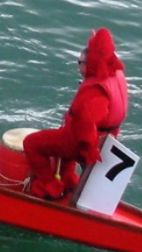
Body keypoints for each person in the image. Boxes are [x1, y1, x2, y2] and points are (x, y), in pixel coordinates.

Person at [22, 28, 128, 200]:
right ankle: (68, 180)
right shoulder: (115, 76)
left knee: (32, 143)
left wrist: (88, 149)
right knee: (63, 150)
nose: (78, 66)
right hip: (107, 138)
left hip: (86, 143)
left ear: (89, 64)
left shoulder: (94, 92)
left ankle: (50, 186)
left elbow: (85, 124)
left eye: (80, 62)